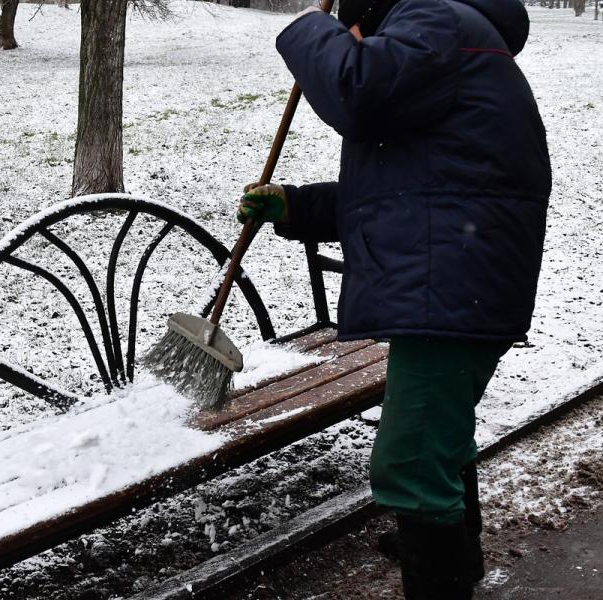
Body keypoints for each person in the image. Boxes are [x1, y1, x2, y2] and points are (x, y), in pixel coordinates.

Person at [236, 0, 551, 597]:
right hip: (463, 278)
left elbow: (354, 88)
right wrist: (296, 206)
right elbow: (412, 192)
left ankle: (437, 562)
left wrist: (309, 26)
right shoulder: (453, 40)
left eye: (356, 33)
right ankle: (448, 554)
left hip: (455, 283)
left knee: (409, 461)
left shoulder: (435, 19)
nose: (358, 42)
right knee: (438, 440)